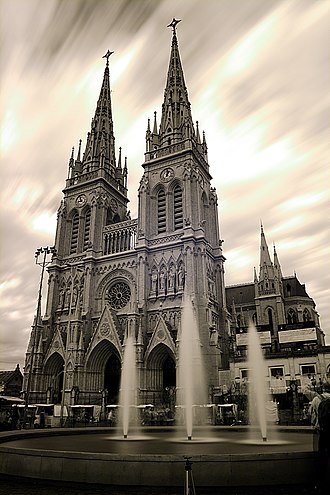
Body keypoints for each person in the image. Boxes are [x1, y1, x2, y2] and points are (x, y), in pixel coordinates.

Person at [304, 381, 330, 492]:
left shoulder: (316, 399)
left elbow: (311, 414)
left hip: (323, 432)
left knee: (322, 456)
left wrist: (314, 425)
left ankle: (320, 483)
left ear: (323, 388)